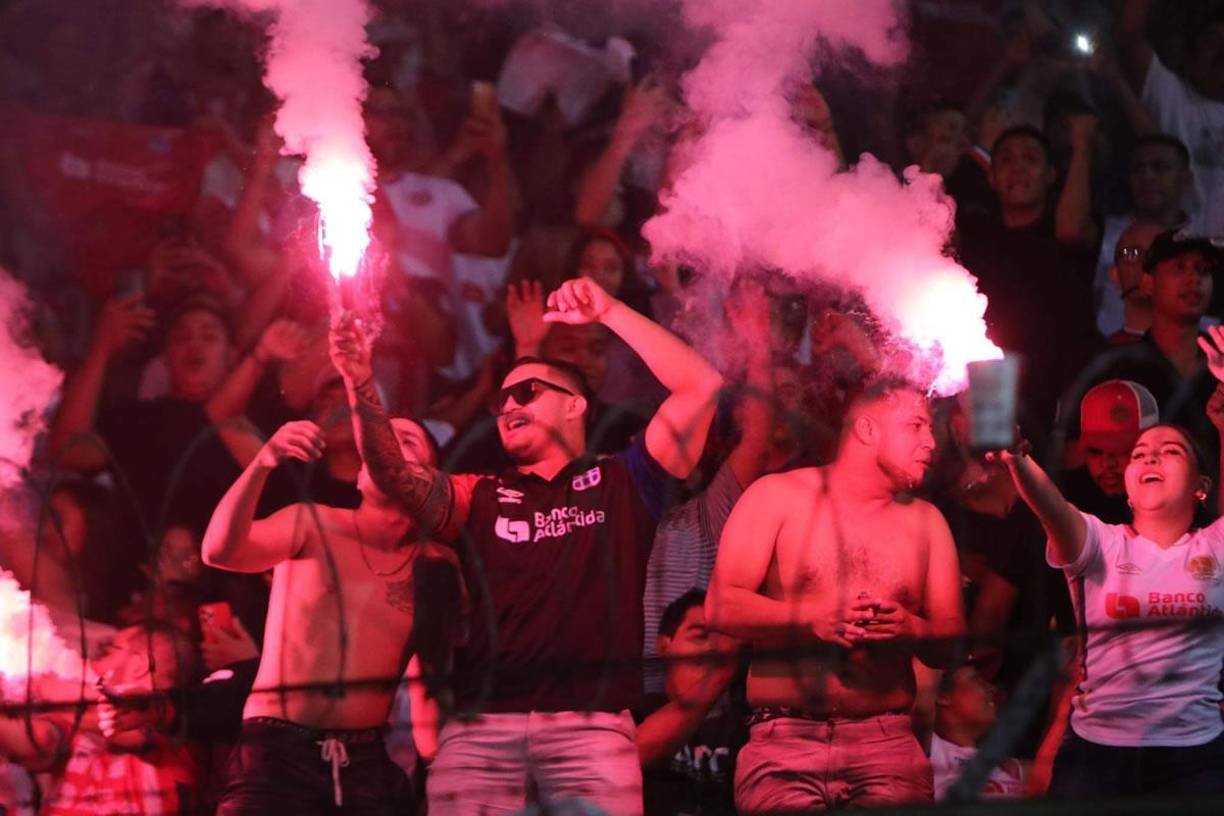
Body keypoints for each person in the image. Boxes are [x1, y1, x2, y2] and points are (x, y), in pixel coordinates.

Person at [329, 276, 723, 814]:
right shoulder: (479, 494)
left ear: (575, 407)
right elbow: (394, 474)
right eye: (502, 397)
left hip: (593, 729)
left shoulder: (625, 482)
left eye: (527, 392)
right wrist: (360, 384)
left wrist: (608, 310)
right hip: (482, 730)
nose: (508, 403)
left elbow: (700, 385)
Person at [706, 377, 964, 812]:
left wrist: (912, 628)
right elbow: (721, 607)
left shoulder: (927, 523)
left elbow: (956, 646)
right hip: (784, 738)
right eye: (916, 426)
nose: (931, 442)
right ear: (867, 430)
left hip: (885, 742)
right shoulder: (776, 497)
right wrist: (810, 618)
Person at [203, 416, 456, 813]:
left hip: (366, 764)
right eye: (377, 441)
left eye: (405, 442)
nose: (385, 448)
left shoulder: (436, 567)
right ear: (360, 475)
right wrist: (263, 462)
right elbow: (220, 551)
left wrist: (441, 770)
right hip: (277, 755)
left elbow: (427, 682)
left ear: (434, 480)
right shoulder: (313, 522)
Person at [995, 379, 1224, 796]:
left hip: (1195, 755)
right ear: (1131, 491)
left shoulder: (1216, 547)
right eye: (1141, 454)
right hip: (1097, 756)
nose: (1150, 455)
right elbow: (1052, 508)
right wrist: (1016, 459)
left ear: (1201, 486)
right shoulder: (1102, 542)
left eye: (1171, 451)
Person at [954, 124, 1100, 438]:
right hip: (994, 380)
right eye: (1005, 160)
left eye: (1030, 159)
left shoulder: (1066, 227)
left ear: (1050, 174)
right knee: (994, 469)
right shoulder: (978, 235)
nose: (1018, 168)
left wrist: (1082, 146)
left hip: (1064, 380)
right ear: (991, 177)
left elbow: (1073, 231)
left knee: (1057, 480)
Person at [0, 623, 202, 815]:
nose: (94, 662)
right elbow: (39, 739)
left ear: (141, 664)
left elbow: (126, 718)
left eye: (107, 651)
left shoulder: (177, 727)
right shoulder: (83, 726)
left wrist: (35, 679)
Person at [1116, 0, 1224, 235]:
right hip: (1177, 254)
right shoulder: (1173, 96)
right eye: (1212, 41)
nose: (1222, 50)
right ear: (1191, 59)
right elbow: (1129, 36)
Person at [634, 590, 744, 816]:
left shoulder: (745, 728)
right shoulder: (638, 712)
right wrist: (722, 673)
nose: (714, 649)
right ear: (665, 646)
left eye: (724, 641)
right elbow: (634, 755)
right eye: (701, 636)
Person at [1093, 137, 1193, 337]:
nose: (1147, 176)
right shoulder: (1105, 233)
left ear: (1186, 180)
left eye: (1160, 167)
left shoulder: (1206, 238)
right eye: (1138, 169)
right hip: (1114, 356)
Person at [1062, 380, 1160, 524]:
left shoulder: (1184, 507)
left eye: (1122, 449)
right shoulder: (1070, 505)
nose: (1108, 463)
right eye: (1095, 451)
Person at [930, 663, 1026, 800]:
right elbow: (923, 696)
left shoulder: (1004, 765)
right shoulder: (932, 751)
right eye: (977, 679)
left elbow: (1056, 769)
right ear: (942, 696)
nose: (992, 688)